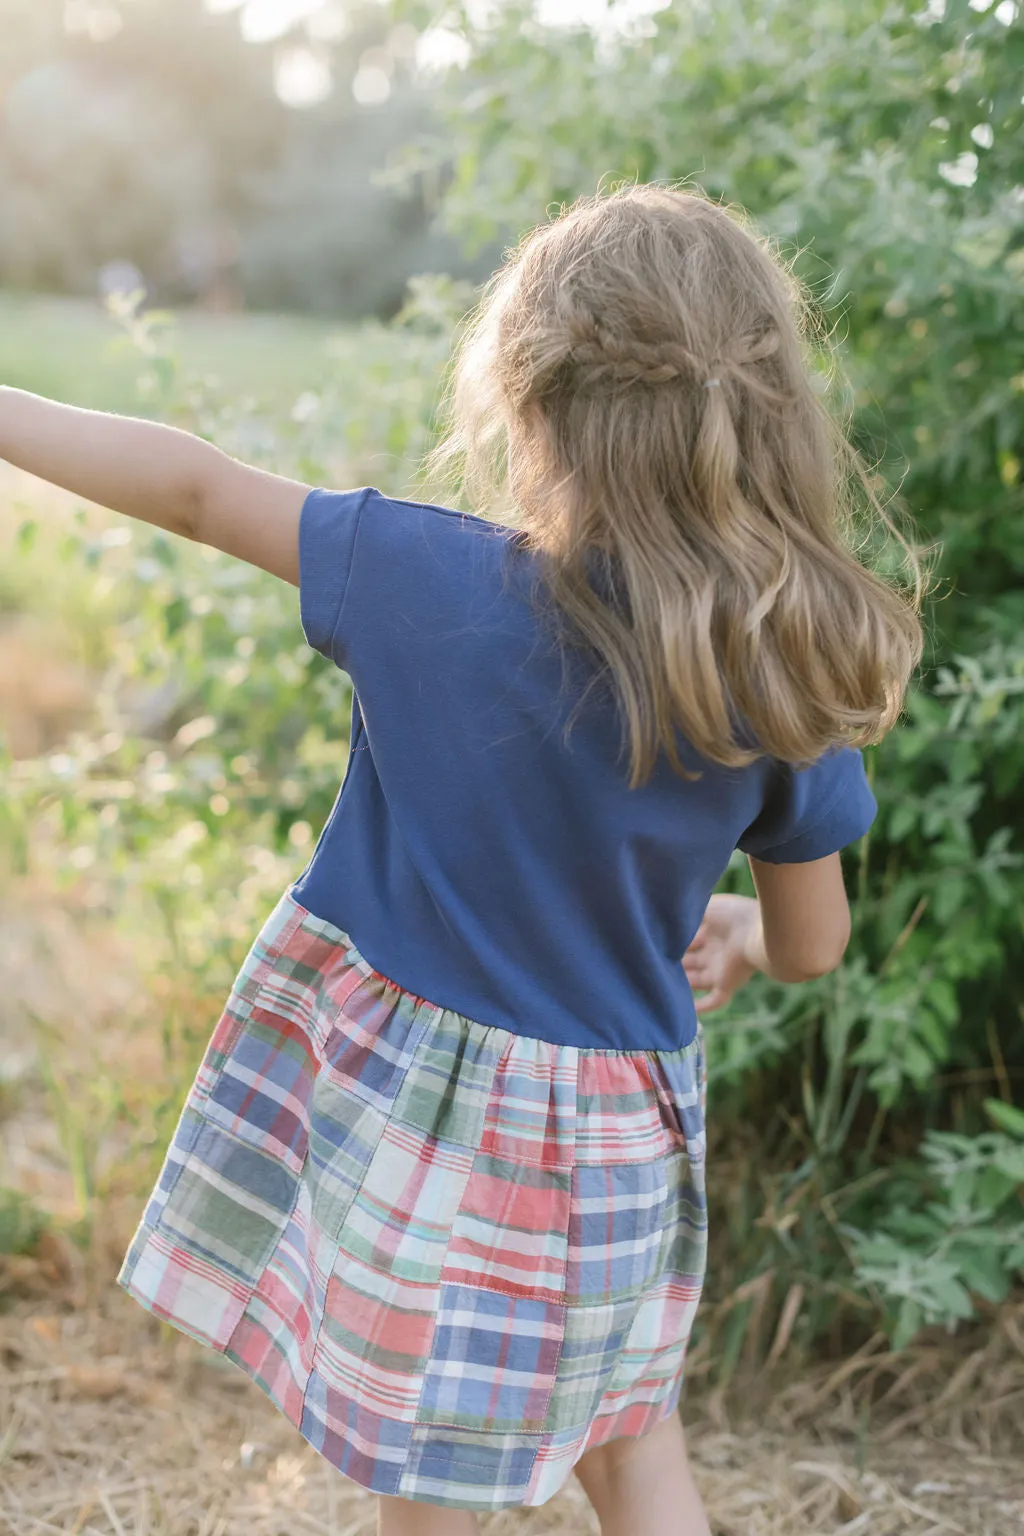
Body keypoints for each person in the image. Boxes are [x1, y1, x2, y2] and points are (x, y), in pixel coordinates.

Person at [0, 185, 923, 1536]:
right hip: (614, 1145)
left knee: (428, 1472)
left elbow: (195, 489)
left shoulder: (414, 574)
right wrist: (731, 927)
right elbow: (814, 944)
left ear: (527, 398)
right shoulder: (780, 662)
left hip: (423, 1128)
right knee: (632, 1440)